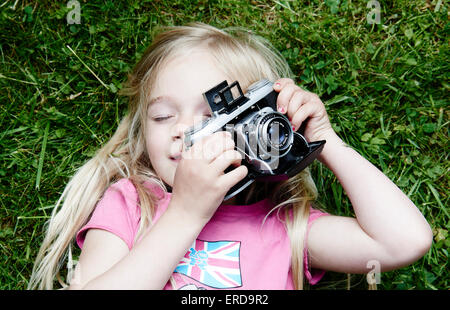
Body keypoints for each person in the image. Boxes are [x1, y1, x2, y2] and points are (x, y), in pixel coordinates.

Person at [28, 23, 432, 290]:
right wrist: (185, 213)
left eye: (212, 118)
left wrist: (327, 142)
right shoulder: (134, 203)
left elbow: (404, 242)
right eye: (163, 115)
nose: (183, 131)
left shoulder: (284, 224)